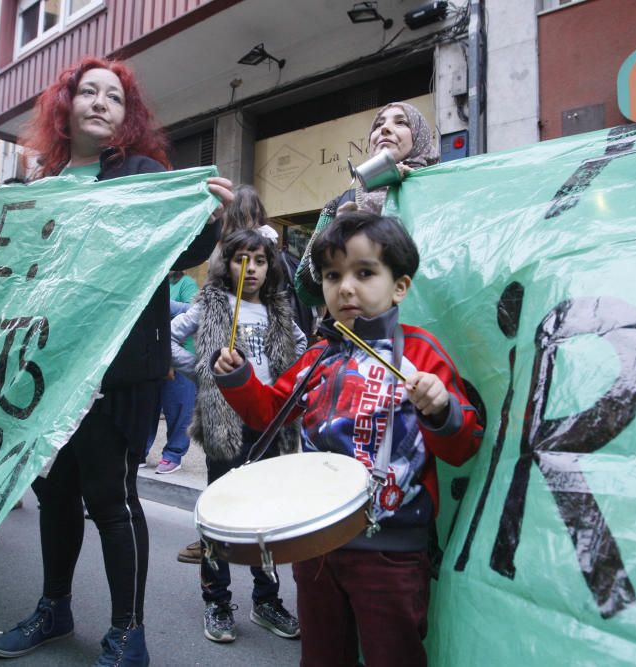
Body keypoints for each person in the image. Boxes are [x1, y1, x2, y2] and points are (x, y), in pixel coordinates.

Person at [0, 56, 232, 666]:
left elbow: (187, 245)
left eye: (114, 97)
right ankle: (55, 608)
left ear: (127, 117)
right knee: (54, 493)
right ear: (65, 106)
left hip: (119, 374)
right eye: (88, 92)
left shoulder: (143, 174)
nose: (101, 102)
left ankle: (129, 632)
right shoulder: (38, 190)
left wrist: (208, 214)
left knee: (111, 497)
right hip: (46, 373)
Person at [213, 211, 483, 666]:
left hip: (392, 551)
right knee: (322, 656)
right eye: (333, 275)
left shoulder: (421, 353)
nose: (346, 288)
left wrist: (440, 408)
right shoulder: (317, 357)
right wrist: (238, 378)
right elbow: (269, 413)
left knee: (392, 655)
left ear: (400, 286)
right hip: (314, 545)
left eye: (364, 273)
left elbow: (463, 447)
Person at [171, 228, 306, 644]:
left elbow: (305, 353)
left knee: (265, 517)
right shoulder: (211, 306)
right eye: (241, 259)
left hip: (269, 424)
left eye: (260, 261)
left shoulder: (279, 311)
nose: (250, 268)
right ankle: (217, 601)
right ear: (226, 264)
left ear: (270, 267)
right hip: (224, 423)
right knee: (220, 515)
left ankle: (266, 600)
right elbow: (170, 338)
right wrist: (203, 370)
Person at [294, 101, 437, 306]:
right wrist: (335, 241)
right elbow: (304, 290)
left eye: (401, 122)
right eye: (378, 125)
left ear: (420, 136)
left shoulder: (438, 194)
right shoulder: (341, 204)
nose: (385, 129)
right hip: (357, 334)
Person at [142, 270, 199, 474]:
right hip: (156, 355)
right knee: (149, 406)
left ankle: (173, 454)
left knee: (178, 406)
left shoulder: (186, 283)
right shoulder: (155, 279)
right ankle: (140, 450)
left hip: (181, 354)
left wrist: (167, 308)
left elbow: (195, 310)